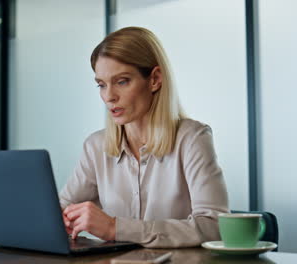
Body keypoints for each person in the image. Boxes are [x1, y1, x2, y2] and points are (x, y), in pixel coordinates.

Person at [59, 27, 229, 248]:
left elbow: (214, 227)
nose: (109, 96)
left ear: (155, 79)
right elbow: (61, 210)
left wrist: (115, 228)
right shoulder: (96, 146)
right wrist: (59, 220)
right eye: (101, 85)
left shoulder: (192, 138)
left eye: (122, 81)